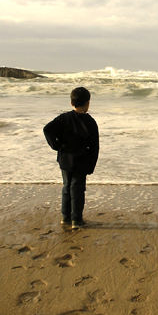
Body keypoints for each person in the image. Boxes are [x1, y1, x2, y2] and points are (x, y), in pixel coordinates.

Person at [44, 87, 99, 229]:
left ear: (71, 102)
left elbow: (47, 129)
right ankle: (76, 220)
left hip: (65, 159)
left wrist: (56, 146)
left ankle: (65, 217)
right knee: (78, 189)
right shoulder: (90, 122)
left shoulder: (64, 118)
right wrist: (92, 165)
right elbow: (95, 146)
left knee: (67, 187)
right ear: (87, 103)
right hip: (81, 160)